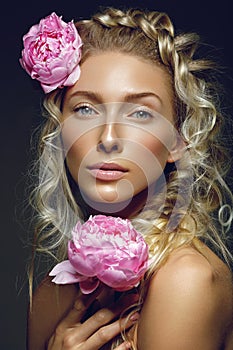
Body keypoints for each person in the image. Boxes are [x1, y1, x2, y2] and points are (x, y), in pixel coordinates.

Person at [20, 7, 233, 350]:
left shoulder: (185, 280)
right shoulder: (52, 292)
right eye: (85, 109)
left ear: (177, 141)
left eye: (140, 113)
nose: (107, 138)